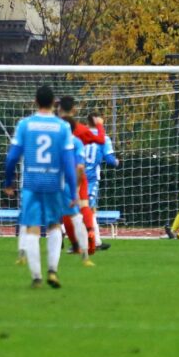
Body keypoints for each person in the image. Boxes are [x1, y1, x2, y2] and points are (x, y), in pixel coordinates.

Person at [4, 85, 77, 288]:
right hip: (54, 183)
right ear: (54, 103)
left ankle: (36, 277)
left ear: (36, 101)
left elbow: (11, 158)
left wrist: (8, 181)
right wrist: (72, 190)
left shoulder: (25, 124)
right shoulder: (62, 127)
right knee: (54, 225)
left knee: (32, 228)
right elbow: (69, 162)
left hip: (31, 184)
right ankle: (52, 270)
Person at [57, 96, 110, 251]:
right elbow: (101, 139)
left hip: (57, 173)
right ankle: (90, 234)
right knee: (85, 206)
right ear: (74, 109)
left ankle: (66, 237)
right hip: (79, 172)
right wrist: (100, 125)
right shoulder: (80, 130)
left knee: (62, 208)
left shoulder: (53, 126)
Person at [59, 116, 95, 267]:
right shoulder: (77, 142)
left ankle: (74, 245)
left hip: (57, 179)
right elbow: (80, 166)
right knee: (80, 209)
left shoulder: (56, 141)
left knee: (58, 218)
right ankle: (88, 246)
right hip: (76, 178)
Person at [85, 111, 119, 250]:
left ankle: (96, 241)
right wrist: (117, 162)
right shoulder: (103, 138)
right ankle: (64, 233)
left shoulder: (79, 135)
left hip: (74, 176)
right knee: (89, 211)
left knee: (79, 209)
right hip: (91, 179)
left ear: (87, 122)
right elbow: (110, 161)